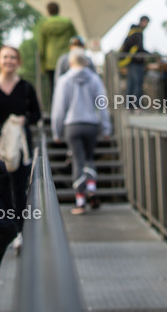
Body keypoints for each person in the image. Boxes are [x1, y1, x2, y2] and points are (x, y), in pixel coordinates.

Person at [52, 48, 111, 215]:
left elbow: (58, 108)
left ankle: (80, 201)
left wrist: (57, 131)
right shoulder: (94, 79)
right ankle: (91, 187)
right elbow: (102, 104)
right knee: (89, 158)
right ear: (85, 62)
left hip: (72, 125)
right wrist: (106, 127)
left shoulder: (64, 80)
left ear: (70, 63)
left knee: (77, 160)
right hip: (91, 124)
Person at [0, 45, 42, 219]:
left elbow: (37, 114)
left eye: (12, 57)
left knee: (19, 188)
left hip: (20, 145)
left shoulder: (26, 87)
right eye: (5, 57)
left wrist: (24, 119)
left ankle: (20, 229)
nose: (9, 61)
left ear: (18, 61)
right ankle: (3, 227)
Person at [34, 2, 77, 97]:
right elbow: (76, 39)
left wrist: (43, 66)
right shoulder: (68, 23)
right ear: (59, 10)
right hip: (67, 60)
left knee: (53, 89)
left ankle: (55, 109)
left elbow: (42, 47)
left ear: (48, 11)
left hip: (51, 62)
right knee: (69, 86)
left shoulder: (45, 25)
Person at [119, 16, 150, 109]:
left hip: (130, 62)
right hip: (136, 62)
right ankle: (136, 106)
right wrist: (149, 55)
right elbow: (139, 48)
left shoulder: (132, 31)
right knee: (137, 84)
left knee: (131, 84)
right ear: (143, 22)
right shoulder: (138, 33)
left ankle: (129, 106)